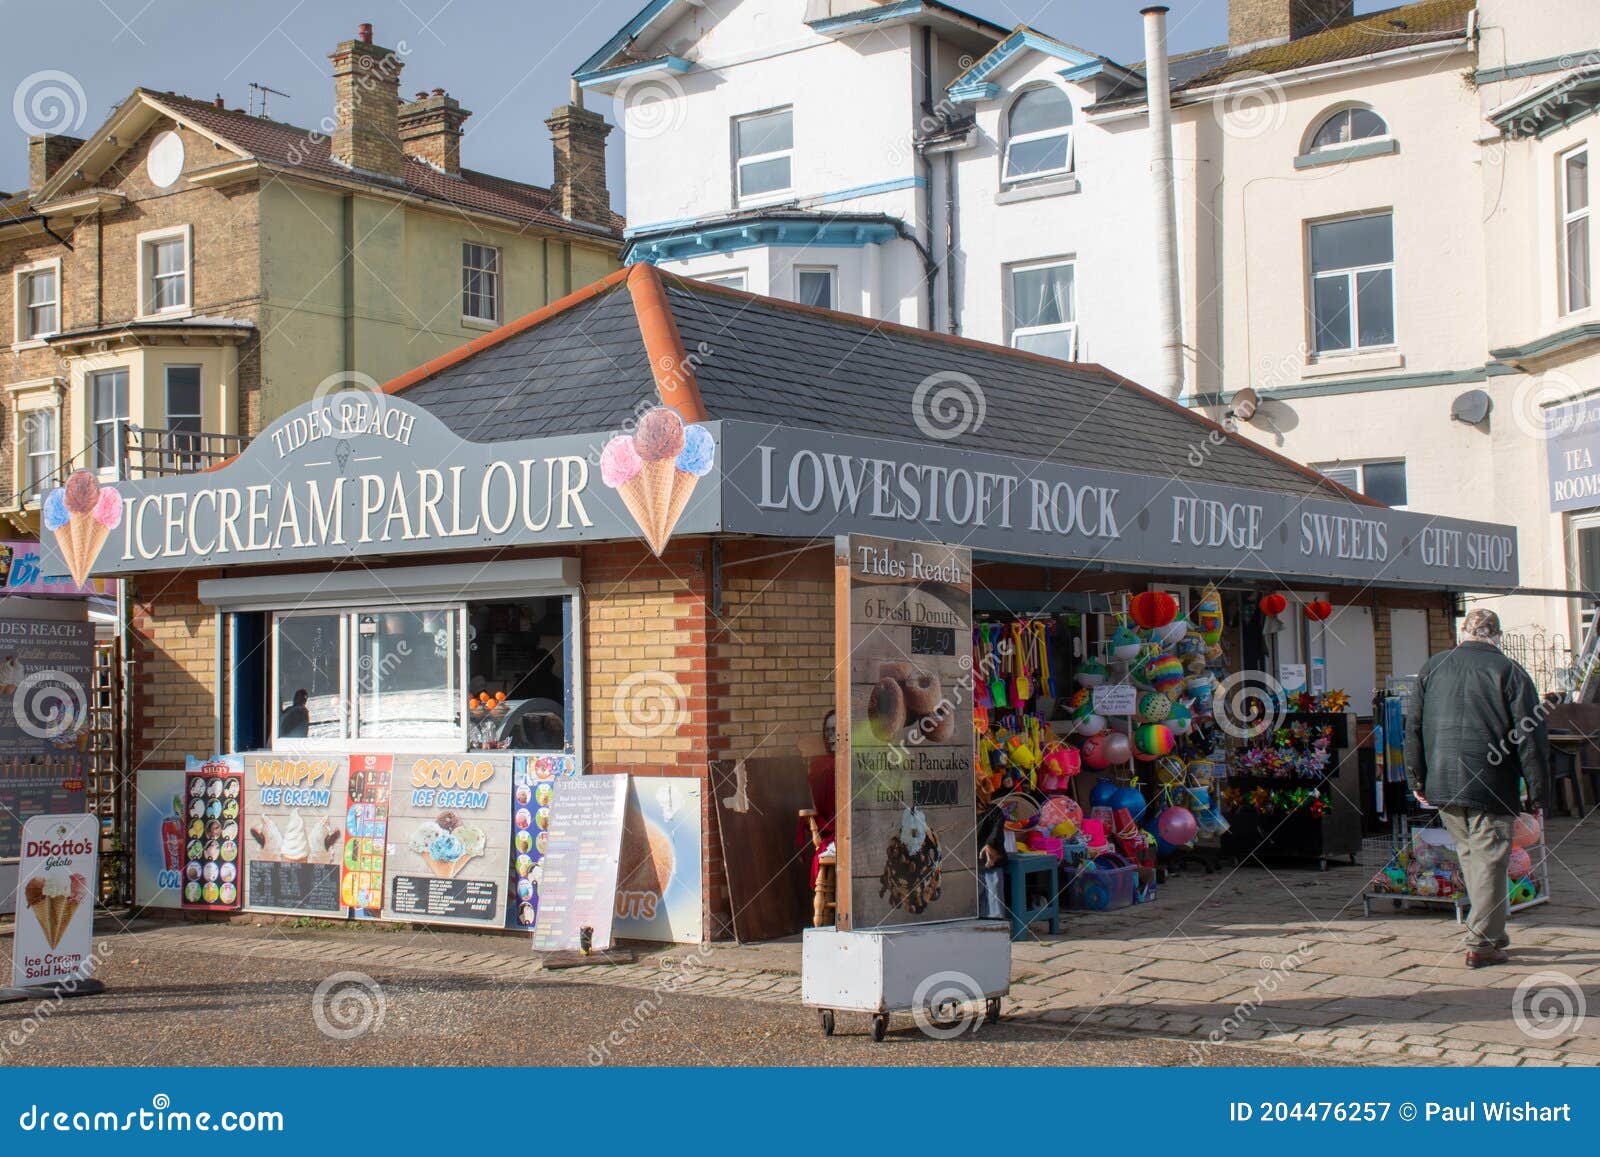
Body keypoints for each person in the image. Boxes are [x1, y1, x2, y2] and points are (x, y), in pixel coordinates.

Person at [1404, 609, 1549, 968]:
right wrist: (1538, 792)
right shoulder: (1510, 672)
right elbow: (1531, 737)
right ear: (1496, 636)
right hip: (1491, 782)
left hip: (1443, 782)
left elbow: (1414, 728)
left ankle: (1492, 933)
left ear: (1463, 633)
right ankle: (1481, 943)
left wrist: (1416, 778)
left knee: (1472, 858)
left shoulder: (1433, 666)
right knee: (1490, 862)